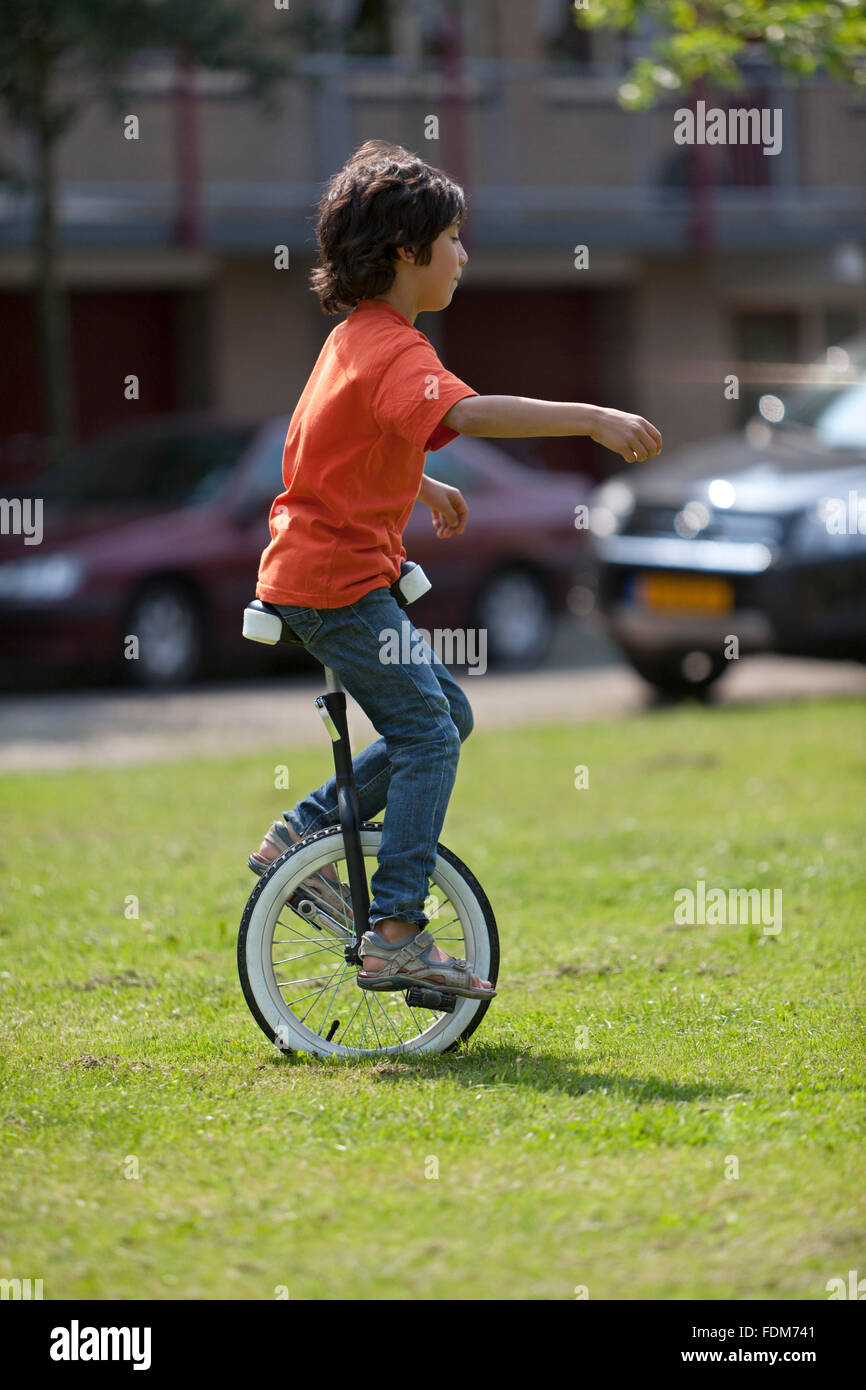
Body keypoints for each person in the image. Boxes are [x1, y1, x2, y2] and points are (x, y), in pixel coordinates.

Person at [250, 138, 662, 1000]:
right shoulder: (397, 348)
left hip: (326, 576)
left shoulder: (357, 339)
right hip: (337, 585)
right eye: (455, 239)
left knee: (450, 712)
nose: (465, 255)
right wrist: (588, 416)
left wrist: (419, 480)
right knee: (429, 731)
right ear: (408, 250)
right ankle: (396, 929)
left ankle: (304, 833)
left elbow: (335, 445)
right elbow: (468, 412)